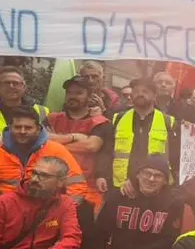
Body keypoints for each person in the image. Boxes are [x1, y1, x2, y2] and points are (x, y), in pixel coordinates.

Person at [46, 75, 112, 215]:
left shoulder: (100, 122)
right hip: (53, 186)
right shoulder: (52, 118)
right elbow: (43, 142)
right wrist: (74, 137)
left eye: (79, 93)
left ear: (89, 96)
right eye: (69, 92)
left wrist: (55, 144)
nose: (73, 96)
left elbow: (91, 146)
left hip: (87, 189)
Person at [0, 107, 88, 201]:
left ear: (38, 129)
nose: (22, 131)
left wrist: (66, 208)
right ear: (10, 128)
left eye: (28, 128)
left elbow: (77, 185)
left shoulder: (55, 150)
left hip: (46, 207)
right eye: (18, 127)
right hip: (6, 206)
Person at [107, 77, 178, 193]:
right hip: (121, 186)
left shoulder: (168, 121)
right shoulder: (118, 118)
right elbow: (107, 150)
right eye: (136, 91)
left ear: (155, 96)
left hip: (156, 187)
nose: (140, 94)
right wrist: (102, 175)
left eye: (145, 91)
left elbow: (175, 156)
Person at [0, 65, 49, 132]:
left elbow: (49, 135)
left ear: (24, 87)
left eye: (16, 83)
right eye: (6, 83)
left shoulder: (42, 112)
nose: (11, 86)